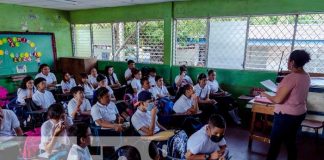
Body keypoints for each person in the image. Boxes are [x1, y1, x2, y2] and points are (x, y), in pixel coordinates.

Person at [261, 50, 311, 160]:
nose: (287, 62)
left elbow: (278, 100)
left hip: (285, 116)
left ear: (292, 62)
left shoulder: (291, 77)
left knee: (275, 144)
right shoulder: (306, 76)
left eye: (288, 60)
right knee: (291, 142)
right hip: (299, 113)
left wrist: (265, 94)